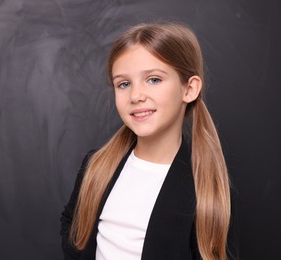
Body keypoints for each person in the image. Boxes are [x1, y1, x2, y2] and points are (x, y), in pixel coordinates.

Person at [60, 22, 237, 260]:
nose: (136, 96)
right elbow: (71, 224)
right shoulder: (96, 166)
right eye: (124, 84)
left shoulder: (205, 189)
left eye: (153, 79)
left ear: (189, 89)